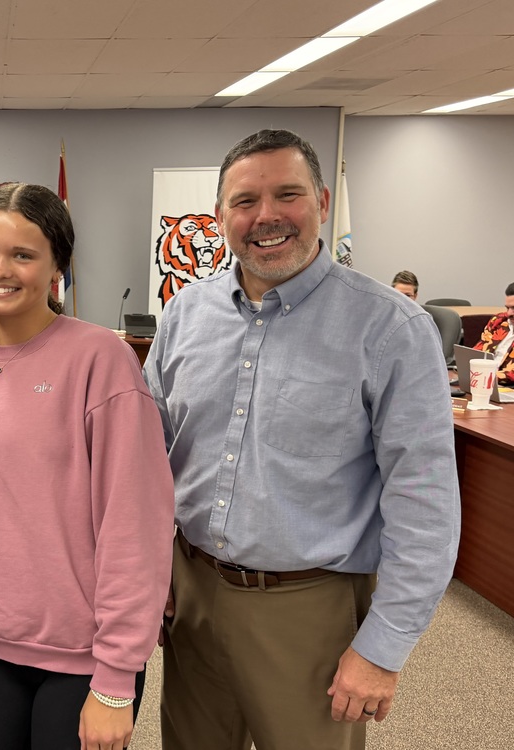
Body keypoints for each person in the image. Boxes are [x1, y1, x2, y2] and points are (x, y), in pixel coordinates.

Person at [143, 129, 461, 750]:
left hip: (309, 608)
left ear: (320, 200)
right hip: (190, 592)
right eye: (244, 201)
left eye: (286, 194)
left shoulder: (391, 329)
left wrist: (384, 647)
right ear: (219, 217)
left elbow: (425, 503)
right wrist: (147, 577)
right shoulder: (184, 314)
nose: (266, 216)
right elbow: (147, 463)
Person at [0, 183, 174, 750]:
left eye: (23, 254)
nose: (1, 269)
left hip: (85, 658)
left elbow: (134, 524)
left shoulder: (100, 360)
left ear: (57, 266)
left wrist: (116, 681)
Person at [473, 281, 514, 384]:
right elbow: (478, 351)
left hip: (507, 387)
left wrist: (489, 376)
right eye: (507, 308)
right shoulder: (498, 320)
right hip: (483, 381)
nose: (509, 313)